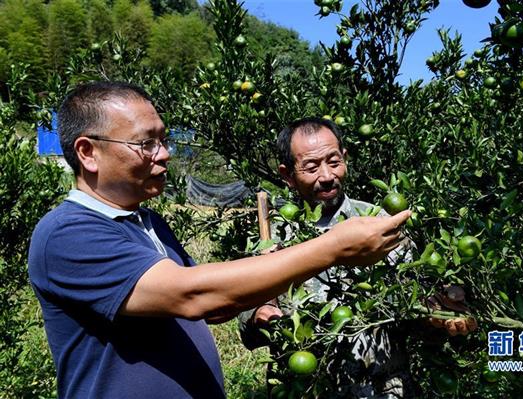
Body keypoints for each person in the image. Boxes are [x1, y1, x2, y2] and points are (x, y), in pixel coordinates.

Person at [27, 82, 412, 399]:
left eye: (163, 140)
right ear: (88, 152)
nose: (165, 154)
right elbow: (193, 297)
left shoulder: (149, 223)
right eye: (147, 144)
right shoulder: (69, 232)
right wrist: (333, 248)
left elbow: (216, 308)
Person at [238, 118, 476, 398]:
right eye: (312, 167)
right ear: (288, 175)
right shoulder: (275, 238)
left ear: (345, 159)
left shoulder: (379, 223)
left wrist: (439, 313)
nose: (326, 175)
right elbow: (247, 320)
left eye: (334, 161)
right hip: (309, 389)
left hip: (385, 389)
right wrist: (259, 314)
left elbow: (415, 309)